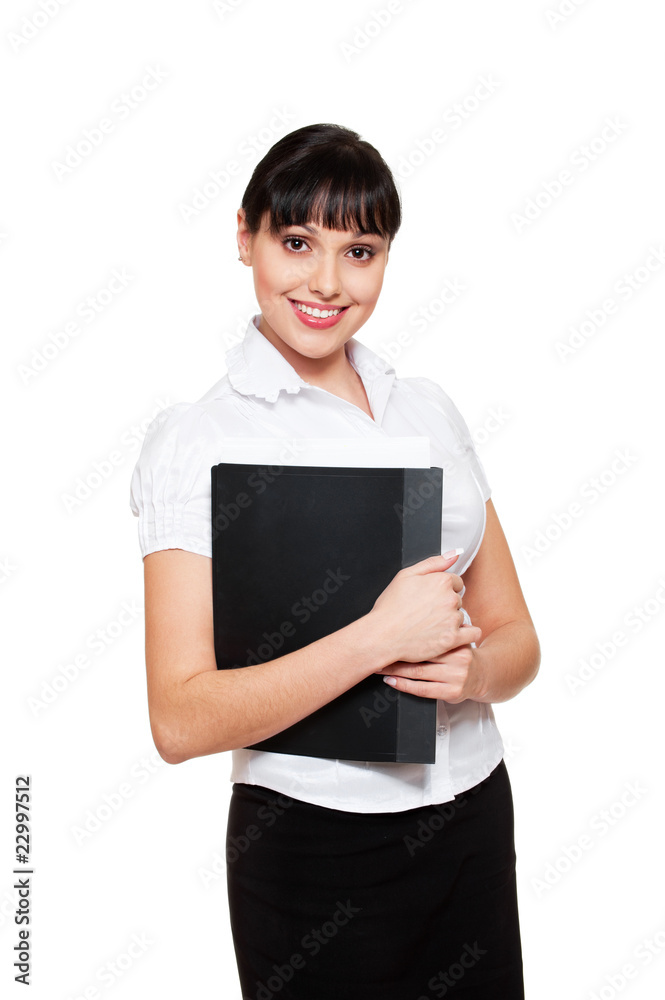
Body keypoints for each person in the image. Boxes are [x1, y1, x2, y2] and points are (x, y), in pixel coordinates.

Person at [129, 122, 540, 1000]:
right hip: (313, 844)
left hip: (470, 814)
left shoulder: (426, 410)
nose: (324, 282)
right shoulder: (198, 441)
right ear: (245, 238)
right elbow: (179, 721)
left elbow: (517, 642)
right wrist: (378, 638)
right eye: (295, 242)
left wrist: (468, 674)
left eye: (359, 250)